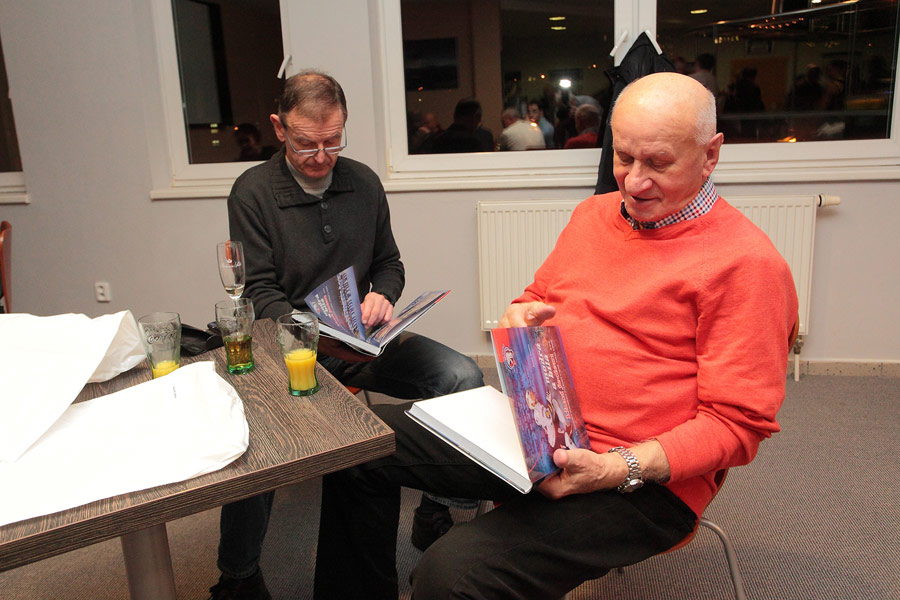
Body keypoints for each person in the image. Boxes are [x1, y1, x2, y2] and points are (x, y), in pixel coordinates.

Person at [313, 72, 798, 600]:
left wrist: (614, 468)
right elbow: (535, 297)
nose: (635, 183)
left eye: (659, 163)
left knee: (451, 574)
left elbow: (736, 426)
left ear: (710, 156)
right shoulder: (594, 215)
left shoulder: (746, 265)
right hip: (540, 429)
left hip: (641, 478)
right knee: (352, 446)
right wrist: (519, 316)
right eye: (623, 158)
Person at [213, 70, 485, 600]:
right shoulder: (253, 192)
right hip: (288, 347)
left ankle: (435, 508)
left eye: (333, 141)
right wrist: (313, 333)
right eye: (305, 143)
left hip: (361, 342)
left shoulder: (363, 182)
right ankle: (237, 575)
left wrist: (382, 295)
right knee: (253, 433)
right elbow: (260, 291)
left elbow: (389, 263)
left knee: (462, 376)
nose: (321, 156)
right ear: (279, 128)